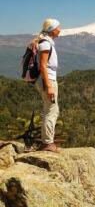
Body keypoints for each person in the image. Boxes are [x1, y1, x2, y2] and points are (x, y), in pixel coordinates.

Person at [34, 18, 62, 152]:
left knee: (48, 110)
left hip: (46, 80)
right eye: (58, 27)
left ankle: (46, 142)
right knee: (51, 111)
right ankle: (47, 143)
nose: (60, 30)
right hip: (48, 80)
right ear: (52, 30)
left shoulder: (46, 42)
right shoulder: (46, 44)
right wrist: (49, 86)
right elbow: (43, 66)